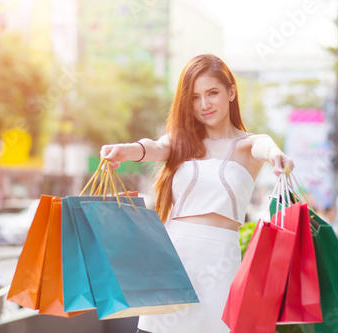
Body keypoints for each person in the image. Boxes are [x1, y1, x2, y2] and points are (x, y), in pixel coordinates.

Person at [100, 54, 294, 333]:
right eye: (194, 97)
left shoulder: (247, 145)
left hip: (219, 265)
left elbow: (264, 145)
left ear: (231, 91)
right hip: (172, 259)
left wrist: (276, 154)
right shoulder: (182, 142)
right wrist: (126, 150)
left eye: (212, 93)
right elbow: (154, 147)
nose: (204, 105)